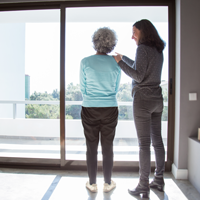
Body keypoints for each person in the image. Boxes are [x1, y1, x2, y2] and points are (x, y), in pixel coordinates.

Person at [113, 19, 166, 198]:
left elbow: (138, 75)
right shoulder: (158, 50)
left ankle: (143, 185)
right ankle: (159, 180)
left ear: (143, 31)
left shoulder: (142, 49)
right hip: (157, 98)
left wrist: (120, 63)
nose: (132, 36)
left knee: (144, 144)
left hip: (143, 99)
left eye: (134, 32)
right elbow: (139, 65)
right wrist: (123, 57)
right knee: (157, 141)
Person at [80, 27, 121, 193]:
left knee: (91, 146)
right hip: (110, 108)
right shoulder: (116, 63)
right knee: (107, 146)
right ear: (112, 44)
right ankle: (107, 182)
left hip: (89, 108)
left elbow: (83, 88)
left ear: (95, 42)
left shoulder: (85, 62)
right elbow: (116, 88)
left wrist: (93, 98)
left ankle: (92, 183)